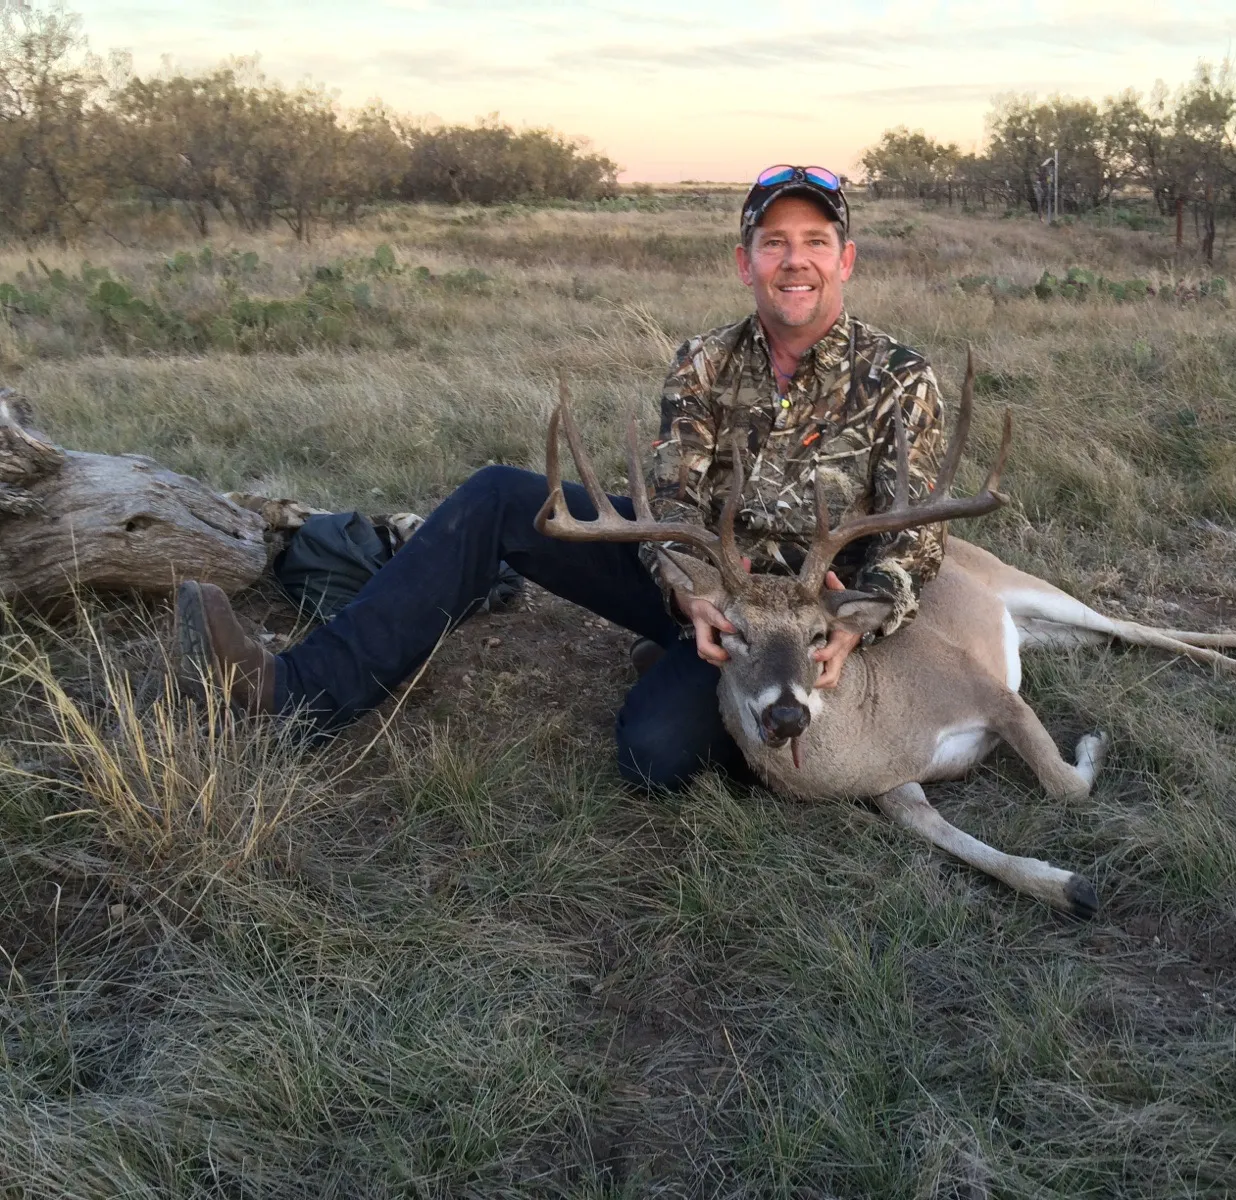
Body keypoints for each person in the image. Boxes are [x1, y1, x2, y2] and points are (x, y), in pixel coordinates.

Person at [176, 164, 948, 789]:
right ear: (745, 262)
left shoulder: (899, 378)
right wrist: (688, 591)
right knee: (499, 497)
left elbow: (917, 537)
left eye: (815, 242)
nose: (795, 260)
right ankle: (294, 693)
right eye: (774, 242)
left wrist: (858, 622)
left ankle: (702, 683)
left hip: (801, 629)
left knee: (654, 757)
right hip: (707, 591)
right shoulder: (705, 361)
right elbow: (670, 496)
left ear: (845, 259)